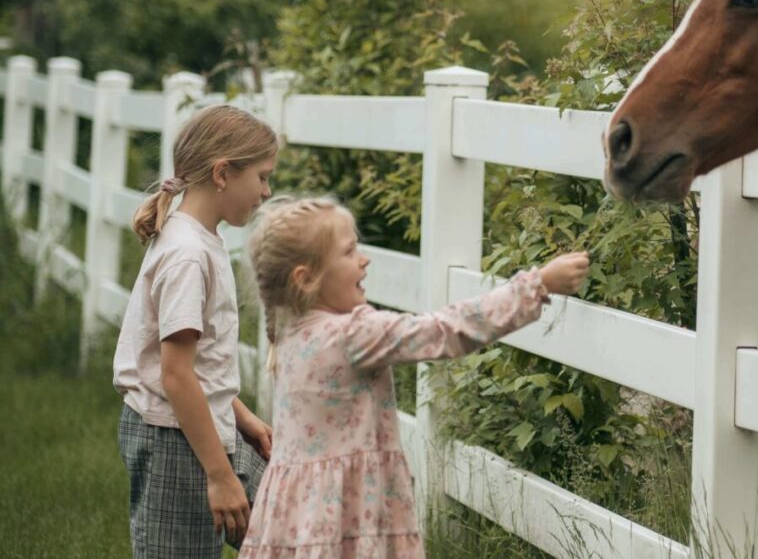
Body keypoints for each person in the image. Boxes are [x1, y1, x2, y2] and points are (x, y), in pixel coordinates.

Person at [239, 196, 590, 558]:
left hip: (298, 514)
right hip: (350, 515)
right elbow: (445, 330)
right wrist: (537, 284)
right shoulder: (353, 335)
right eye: (348, 252)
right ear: (306, 278)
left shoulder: (291, 335)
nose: (364, 258)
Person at [113, 104, 278, 558]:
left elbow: (196, 365)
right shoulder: (188, 254)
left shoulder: (201, 240)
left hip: (200, 426)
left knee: (285, 529)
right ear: (222, 174)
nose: (265, 192)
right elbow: (176, 375)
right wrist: (220, 476)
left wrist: (240, 416)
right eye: (262, 177)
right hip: (173, 439)